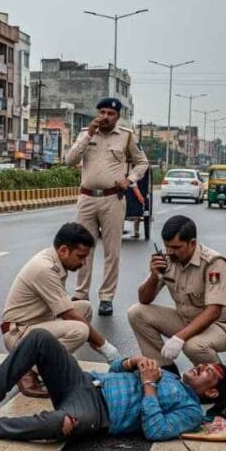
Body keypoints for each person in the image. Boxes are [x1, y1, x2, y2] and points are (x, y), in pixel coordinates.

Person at [0, 328, 226, 442]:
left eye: (209, 371)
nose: (201, 366)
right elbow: (114, 368)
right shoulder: (169, 374)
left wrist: (148, 386)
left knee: (58, 423)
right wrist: (132, 363)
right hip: (84, 382)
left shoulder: (191, 412)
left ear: (210, 392)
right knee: (40, 337)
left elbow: (156, 430)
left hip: (98, 413)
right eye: (204, 363)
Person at [0, 222, 121, 396]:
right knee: (80, 330)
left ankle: (46, 363)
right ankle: (29, 367)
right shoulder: (44, 269)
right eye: (80, 256)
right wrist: (105, 347)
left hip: (37, 324)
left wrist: (99, 344)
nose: (83, 262)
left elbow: (69, 309)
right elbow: (68, 313)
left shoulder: (54, 260)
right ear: (64, 250)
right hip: (19, 334)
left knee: (84, 308)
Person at [64, 97, 149, 317]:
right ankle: (81, 294)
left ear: (117, 116)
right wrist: (88, 134)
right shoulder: (85, 132)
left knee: (112, 250)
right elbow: (69, 160)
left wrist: (129, 180)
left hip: (113, 199)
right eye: (101, 112)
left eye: (110, 114)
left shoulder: (126, 136)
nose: (105, 117)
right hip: (87, 198)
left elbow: (142, 162)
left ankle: (106, 298)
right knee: (83, 247)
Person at [127, 215, 226, 371]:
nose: (170, 252)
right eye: (167, 246)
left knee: (193, 346)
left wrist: (179, 337)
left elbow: (214, 311)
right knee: (136, 312)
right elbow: (144, 299)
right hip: (186, 319)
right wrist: (154, 276)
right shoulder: (166, 258)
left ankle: (218, 384)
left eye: (176, 247)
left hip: (220, 326)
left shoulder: (214, 263)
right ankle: (165, 372)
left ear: (192, 243)